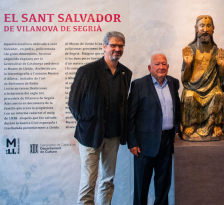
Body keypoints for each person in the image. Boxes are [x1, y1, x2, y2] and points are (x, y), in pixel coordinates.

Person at [68, 31, 132, 205]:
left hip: (113, 136)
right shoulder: (87, 71)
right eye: (113, 45)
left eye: (120, 46)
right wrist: (87, 124)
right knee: (89, 181)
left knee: (107, 180)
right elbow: (74, 103)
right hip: (90, 135)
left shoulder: (126, 73)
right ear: (104, 46)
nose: (117, 49)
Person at [127, 53, 180, 205]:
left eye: (164, 64)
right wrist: (132, 142)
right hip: (144, 144)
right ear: (150, 67)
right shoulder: (138, 85)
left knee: (163, 185)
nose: (161, 67)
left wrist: (177, 129)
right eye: (157, 64)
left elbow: (178, 109)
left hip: (167, 142)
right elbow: (130, 116)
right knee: (141, 186)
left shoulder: (173, 83)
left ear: (168, 67)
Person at [181, 15, 224, 141]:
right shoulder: (189, 50)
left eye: (208, 25)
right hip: (193, 88)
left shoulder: (217, 51)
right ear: (196, 28)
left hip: (211, 88)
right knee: (189, 95)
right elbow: (184, 81)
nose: (205, 29)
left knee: (218, 93)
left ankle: (214, 125)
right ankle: (192, 124)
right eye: (202, 26)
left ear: (213, 29)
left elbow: (221, 81)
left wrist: (222, 67)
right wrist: (188, 64)